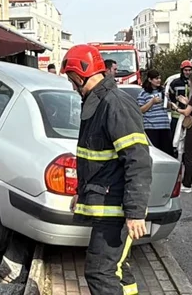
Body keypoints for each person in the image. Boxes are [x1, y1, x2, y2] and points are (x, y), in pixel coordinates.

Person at [60, 44, 151, 295]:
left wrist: (135, 212)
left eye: (71, 79)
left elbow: (138, 159)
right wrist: (82, 191)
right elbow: (94, 159)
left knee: (99, 273)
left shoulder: (115, 104)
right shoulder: (97, 102)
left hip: (117, 209)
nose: (72, 85)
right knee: (118, 269)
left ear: (80, 75)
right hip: (107, 204)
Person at [137, 70, 173, 156]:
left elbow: (169, 107)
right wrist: (152, 102)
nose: (159, 80)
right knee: (155, 153)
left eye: (160, 78)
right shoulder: (143, 94)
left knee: (166, 153)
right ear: (150, 80)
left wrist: (167, 99)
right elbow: (140, 110)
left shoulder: (163, 91)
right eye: (156, 78)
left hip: (164, 126)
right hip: (151, 128)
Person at [167, 60, 192, 152]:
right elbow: (170, 98)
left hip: (190, 115)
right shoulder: (175, 83)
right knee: (175, 137)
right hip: (177, 115)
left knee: (188, 138)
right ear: (182, 70)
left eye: (189, 70)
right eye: (186, 70)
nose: (188, 72)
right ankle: (174, 153)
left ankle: (187, 156)